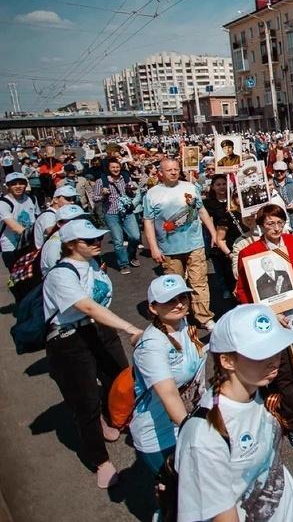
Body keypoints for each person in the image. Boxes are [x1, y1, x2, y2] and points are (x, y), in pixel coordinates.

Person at [174, 304, 293, 521]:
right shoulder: (204, 438)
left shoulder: (256, 390)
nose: (274, 360)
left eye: (276, 349)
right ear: (227, 360)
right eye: (260, 353)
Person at [42, 219, 143, 488]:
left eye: (99, 238)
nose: (98, 243)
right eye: (90, 240)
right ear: (72, 245)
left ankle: (120, 418)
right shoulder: (60, 274)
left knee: (120, 377)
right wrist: (130, 327)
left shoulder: (92, 264)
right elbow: (88, 307)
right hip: (68, 340)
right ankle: (101, 460)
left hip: (97, 330)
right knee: (85, 401)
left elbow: (100, 304)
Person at [235, 204, 293, 447]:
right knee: (283, 375)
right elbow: (242, 291)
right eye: (270, 223)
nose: (276, 228)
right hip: (273, 321)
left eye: (280, 222)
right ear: (261, 226)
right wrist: (267, 313)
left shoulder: (291, 242)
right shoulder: (250, 254)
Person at [129, 275, 206, 473]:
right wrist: (194, 432)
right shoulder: (152, 346)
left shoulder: (185, 325)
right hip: (160, 436)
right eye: (170, 300)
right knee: (174, 496)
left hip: (187, 421)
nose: (179, 304)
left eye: (183, 297)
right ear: (153, 308)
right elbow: (168, 393)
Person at [142, 158, 219, 329]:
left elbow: (202, 211)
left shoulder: (191, 187)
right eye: (169, 170)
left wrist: (213, 233)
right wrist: (153, 247)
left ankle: (204, 317)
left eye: (176, 169)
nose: (173, 172)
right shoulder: (152, 194)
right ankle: (180, 315)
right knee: (176, 285)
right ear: (160, 172)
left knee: (199, 281)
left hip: (195, 243)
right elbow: (148, 221)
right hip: (169, 248)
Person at [1, 171, 38, 269]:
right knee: (17, 279)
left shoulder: (32, 199)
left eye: (21, 183)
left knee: (32, 277)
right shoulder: (3, 203)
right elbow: (14, 227)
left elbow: (38, 219)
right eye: (13, 184)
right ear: (7, 186)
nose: (18, 186)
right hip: (11, 247)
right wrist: (36, 236)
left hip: (30, 245)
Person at [32, 184, 77, 249]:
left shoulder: (60, 214)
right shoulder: (48, 215)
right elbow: (50, 231)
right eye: (68, 199)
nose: (72, 202)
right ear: (56, 200)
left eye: (74, 199)